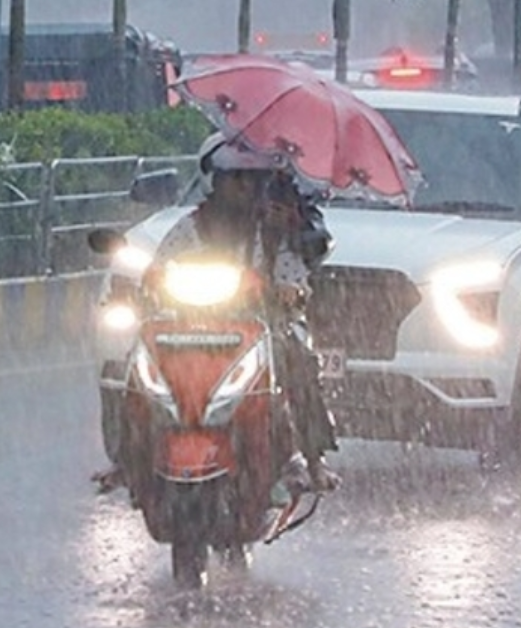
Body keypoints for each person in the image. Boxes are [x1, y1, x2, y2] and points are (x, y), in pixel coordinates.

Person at [94, 133, 340, 495]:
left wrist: (290, 289)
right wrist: (142, 286)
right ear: (215, 181)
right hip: (185, 327)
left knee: (297, 358)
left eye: (251, 180)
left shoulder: (274, 229)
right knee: (137, 364)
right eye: (234, 178)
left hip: (263, 326)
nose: (242, 188)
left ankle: (309, 458)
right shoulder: (190, 226)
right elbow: (159, 267)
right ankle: (128, 459)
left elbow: (293, 273)